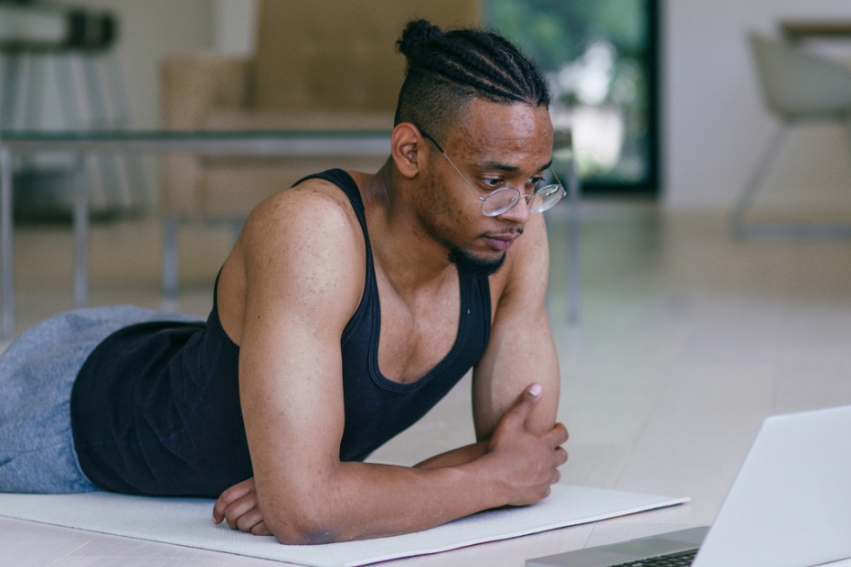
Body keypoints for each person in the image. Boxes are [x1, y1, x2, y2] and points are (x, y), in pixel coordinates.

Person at [0, 19, 568, 544]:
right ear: (410, 151)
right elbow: (313, 514)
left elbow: (525, 453)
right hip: (60, 406)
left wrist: (345, 493)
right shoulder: (312, 233)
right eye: (494, 179)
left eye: (535, 183)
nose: (519, 210)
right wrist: (480, 482)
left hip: (181, 351)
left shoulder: (508, 237)